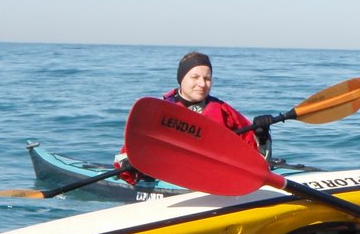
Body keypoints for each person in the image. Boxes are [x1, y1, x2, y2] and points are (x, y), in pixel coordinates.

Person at [116, 51, 276, 180]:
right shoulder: (159, 113)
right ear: (181, 79)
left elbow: (258, 163)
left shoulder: (223, 111)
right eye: (195, 77)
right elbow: (126, 155)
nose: (202, 84)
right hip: (171, 180)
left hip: (215, 180)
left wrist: (261, 136)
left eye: (207, 78)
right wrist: (131, 163)